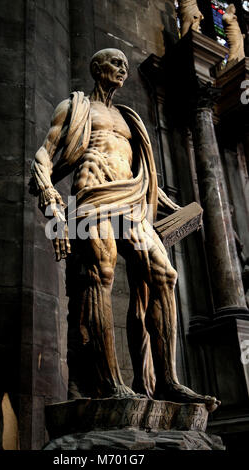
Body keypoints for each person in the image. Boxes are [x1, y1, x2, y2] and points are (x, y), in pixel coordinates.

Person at [31, 48, 219, 410]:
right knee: (101, 274)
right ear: (97, 68)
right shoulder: (75, 108)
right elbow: (44, 155)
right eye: (116, 63)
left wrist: (177, 210)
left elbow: (138, 173)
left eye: (125, 65)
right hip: (92, 198)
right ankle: (108, 383)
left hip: (132, 203)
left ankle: (167, 382)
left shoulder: (130, 119)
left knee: (165, 275)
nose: (122, 69)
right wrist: (52, 202)